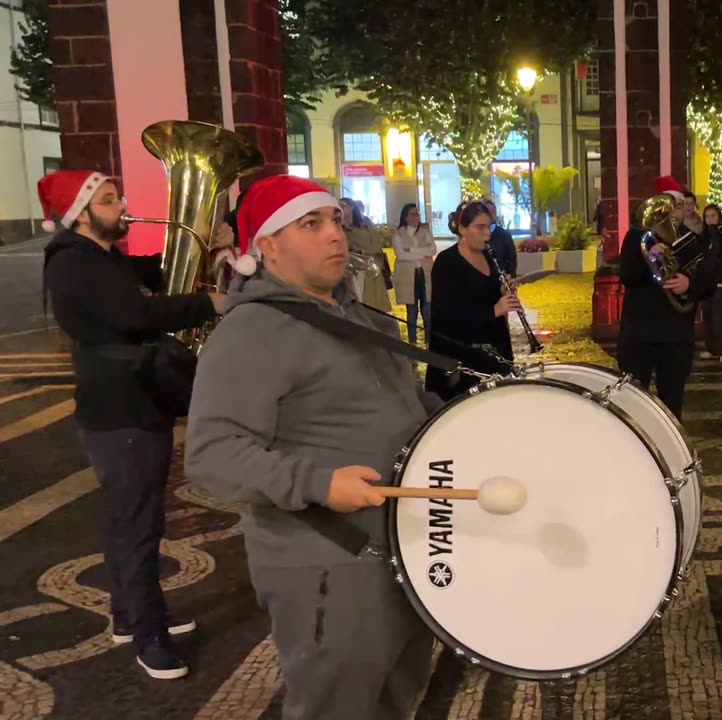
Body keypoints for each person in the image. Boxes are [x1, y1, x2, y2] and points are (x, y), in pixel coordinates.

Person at [185, 175, 441, 718]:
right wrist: (319, 483)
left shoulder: (357, 314)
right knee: (336, 705)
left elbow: (408, 402)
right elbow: (212, 452)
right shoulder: (252, 331)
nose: (336, 236)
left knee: (397, 692)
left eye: (335, 221)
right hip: (327, 562)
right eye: (312, 224)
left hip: (401, 547)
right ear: (267, 247)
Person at [40, 170, 229, 679]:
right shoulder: (73, 263)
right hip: (119, 410)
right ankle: (150, 637)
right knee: (140, 527)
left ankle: (129, 616)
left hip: (130, 404)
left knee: (129, 520)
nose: (120, 205)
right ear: (81, 213)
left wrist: (206, 251)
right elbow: (135, 315)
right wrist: (205, 303)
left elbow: (153, 274)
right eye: (107, 200)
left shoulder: (100, 256)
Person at [617, 176, 716, 420]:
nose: (675, 211)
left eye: (680, 206)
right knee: (634, 403)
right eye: (669, 206)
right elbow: (627, 276)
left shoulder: (693, 240)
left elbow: (711, 280)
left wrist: (689, 284)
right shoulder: (637, 237)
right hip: (639, 335)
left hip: (676, 337)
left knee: (672, 407)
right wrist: (648, 258)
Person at [425, 201, 517, 401]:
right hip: (463, 365)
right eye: (480, 227)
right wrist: (494, 310)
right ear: (462, 229)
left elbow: (486, 295)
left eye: (490, 226)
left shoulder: (490, 257)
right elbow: (447, 318)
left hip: (492, 355)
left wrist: (502, 291)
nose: (487, 233)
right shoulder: (447, 262)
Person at [391, 203, 437, 345]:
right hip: (408, 276)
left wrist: (411, 250)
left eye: (417, 214)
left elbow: (432, 250)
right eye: (413, 214)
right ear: (405, 217)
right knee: (411, 309)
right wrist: (422, 252)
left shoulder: (424, 232)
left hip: (425, 273)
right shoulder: (398, 234)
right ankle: (412, 341)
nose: (416, 217)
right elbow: (401, 255)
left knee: (427, 307)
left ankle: (430, 339)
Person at [339, 197, 392, 312]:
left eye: (343, 206)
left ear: (352, 207)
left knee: (374, 304)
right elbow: (345, 247)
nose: (341, 209)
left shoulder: (366, 223)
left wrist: (363, 252)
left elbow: (376, 244)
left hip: (371, 267)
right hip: (354, 270)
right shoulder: (340, 227)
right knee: (358, 303)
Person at [699, 203, 722, 362]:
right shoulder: (704, 234)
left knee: (718, 313)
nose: (710, 219)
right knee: (707, 313)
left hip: (720, 278)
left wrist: (714, 231)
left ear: (719, 216)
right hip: (706, 279)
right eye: (707, 216)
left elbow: (720, 251)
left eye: (713, 215)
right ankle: (711, 348)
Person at [482, 198, 518, 276]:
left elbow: (512, 258)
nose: (490, 215)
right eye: (487, 212)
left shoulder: (504, 235)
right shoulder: (477, 235)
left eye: (493, 212)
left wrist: (511, 275)